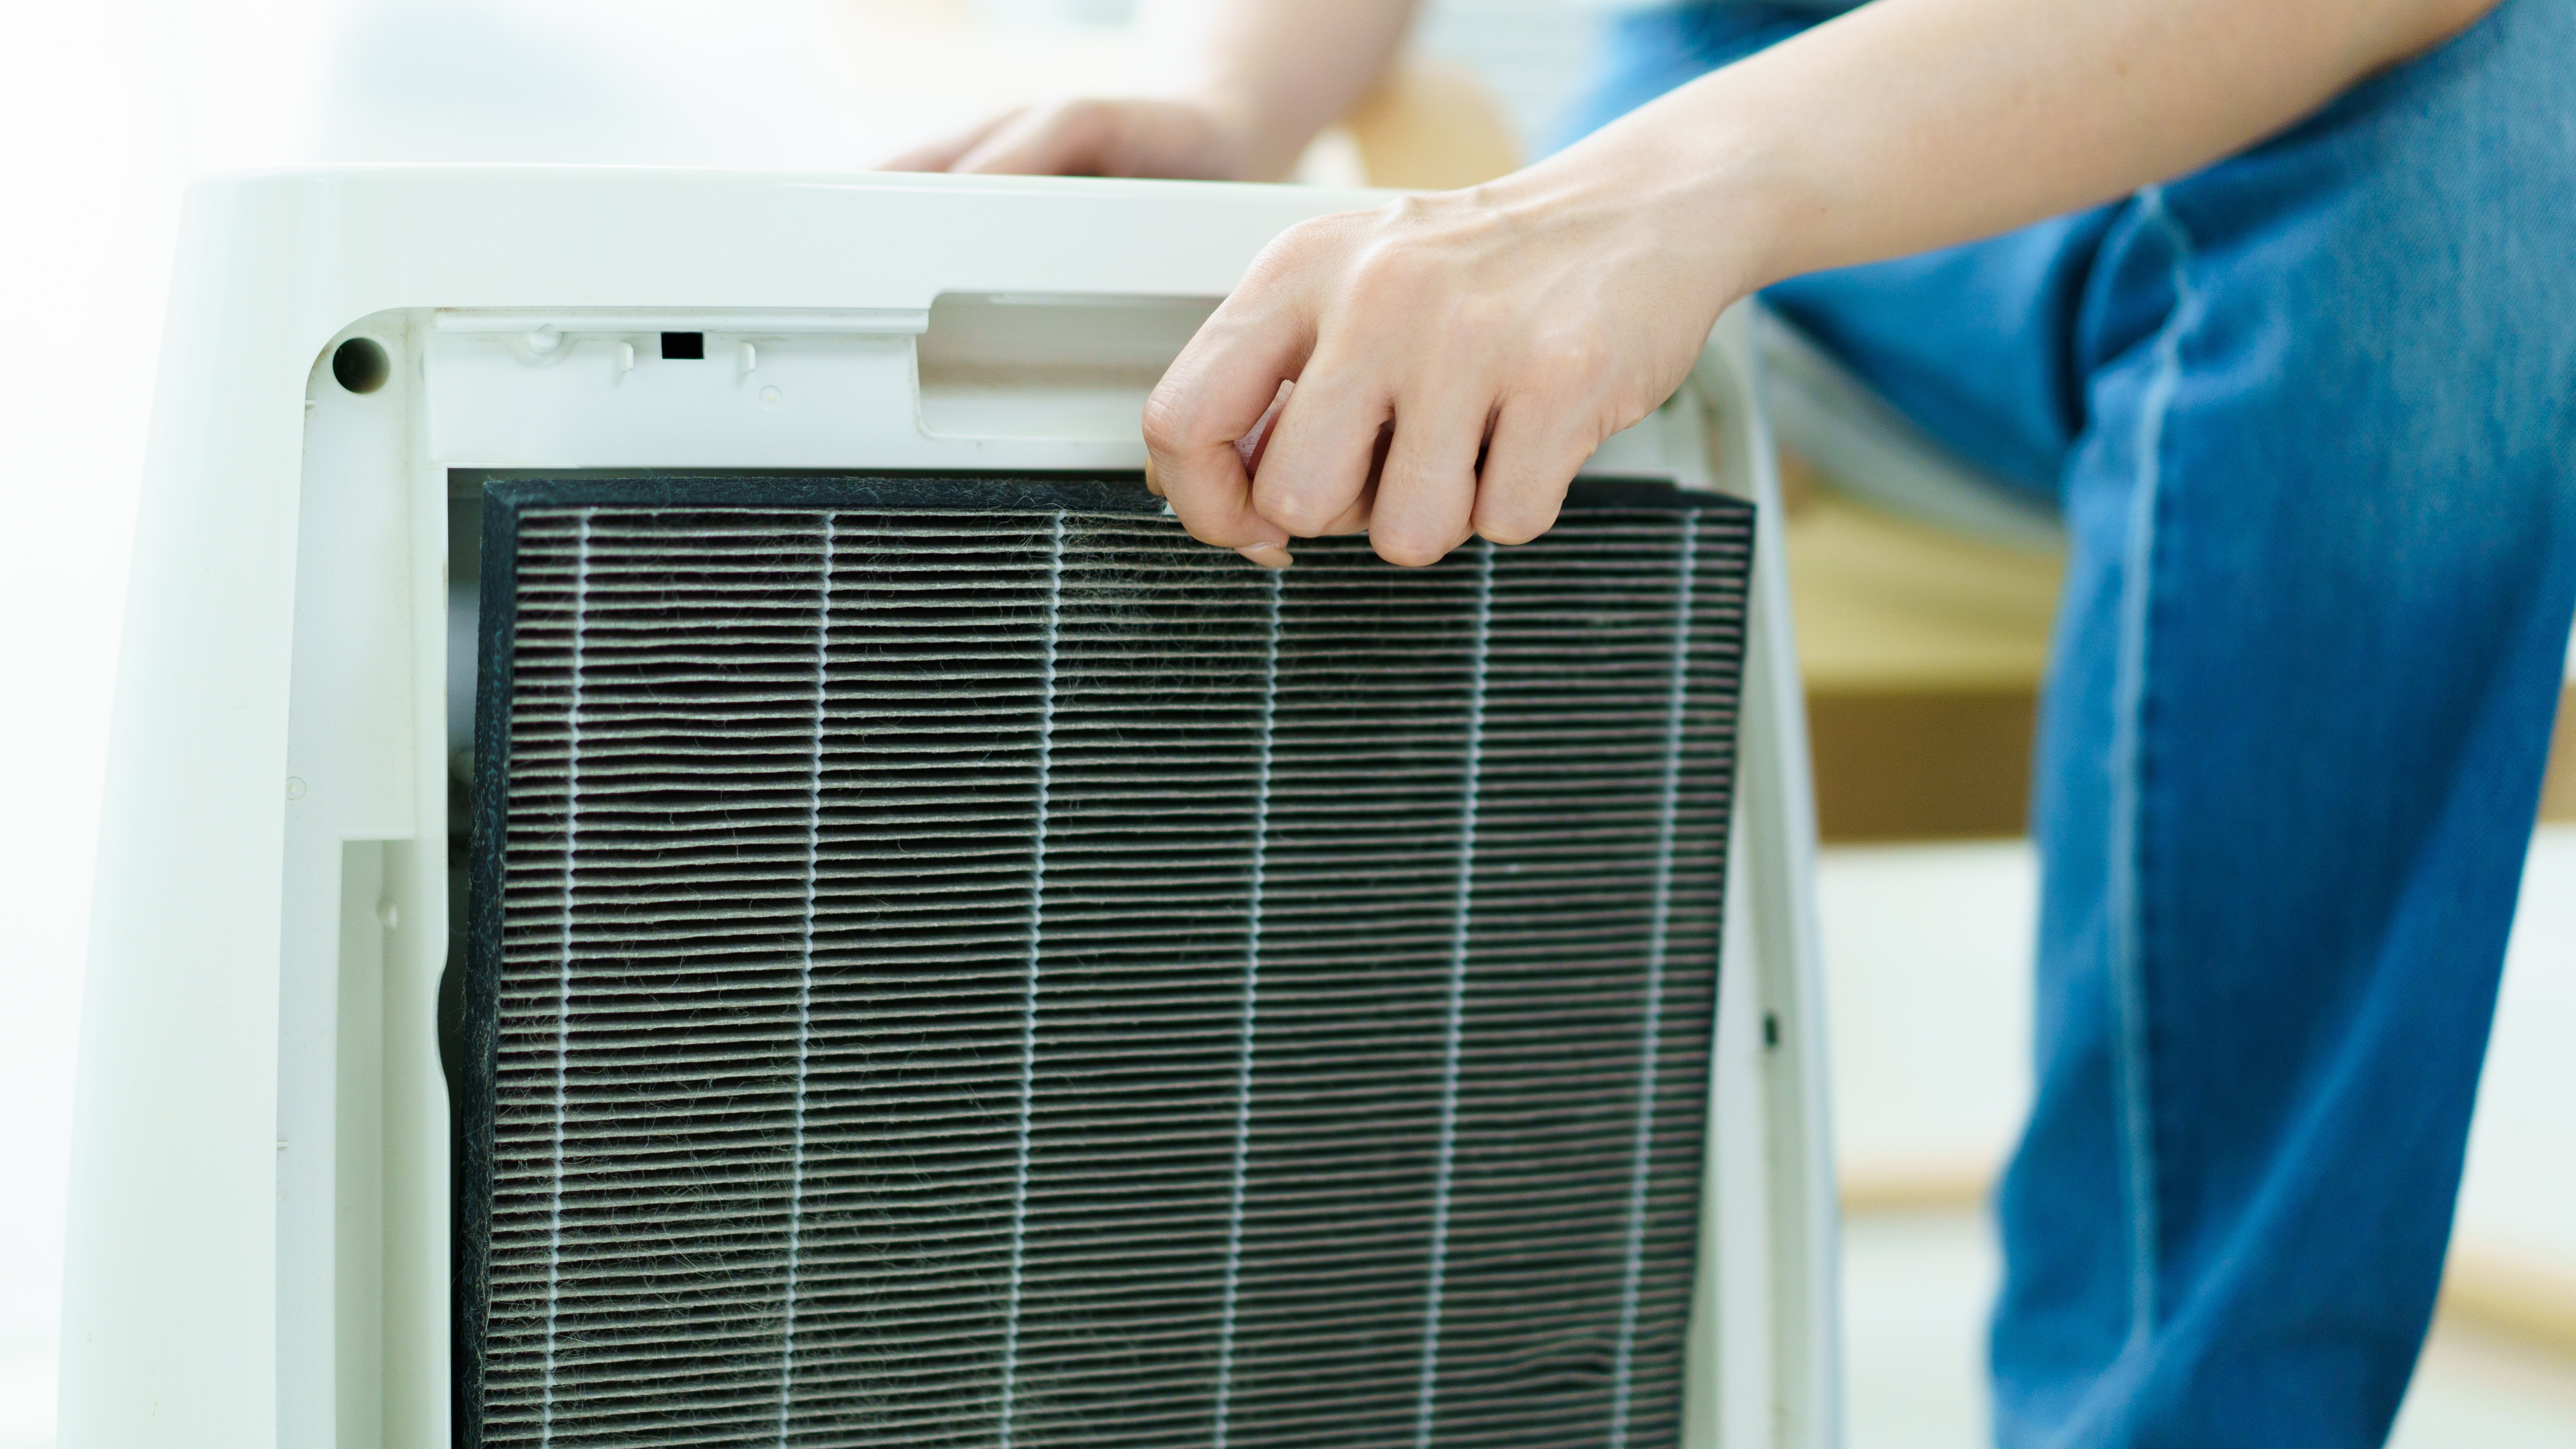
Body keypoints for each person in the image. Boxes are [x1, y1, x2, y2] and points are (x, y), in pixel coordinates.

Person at [894, 0, 2574, 1443]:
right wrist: (1231, 92)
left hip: (2338, 154)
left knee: (2489, 121)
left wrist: (1661, 201)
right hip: (1774, 107)